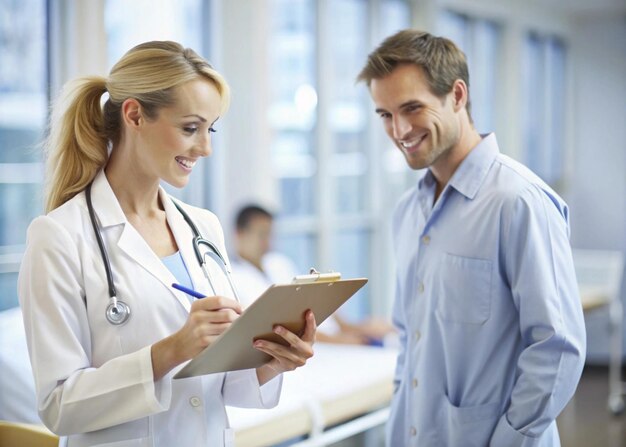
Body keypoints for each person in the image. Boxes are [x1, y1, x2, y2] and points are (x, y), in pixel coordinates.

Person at [17, 41, 316, 447]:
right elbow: (58, 405)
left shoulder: (203, 227)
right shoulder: (59, 236)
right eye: (190, 128)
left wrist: (273, 361)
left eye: (210, 129)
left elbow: (219, 384)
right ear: (134, 114)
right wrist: (172, 350)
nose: (205, 148)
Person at [357, 30, 585, 446]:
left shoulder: (518, 202)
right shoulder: (408, 212)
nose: (399, 129)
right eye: (385, 115)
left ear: (457, 96)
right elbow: (411, 341)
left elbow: (557, 349)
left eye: (412, 108)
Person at [231, 204, 395, 345]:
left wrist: (352, 328)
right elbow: (282, 328)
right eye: (261, 235)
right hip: (319, 342)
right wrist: (340, 340)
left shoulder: (279, 263)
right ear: (239, 234)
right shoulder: (235, 279)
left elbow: (314, 298)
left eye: (270, 234)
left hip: (334, 333)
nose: (267, 242)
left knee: (388, 332)